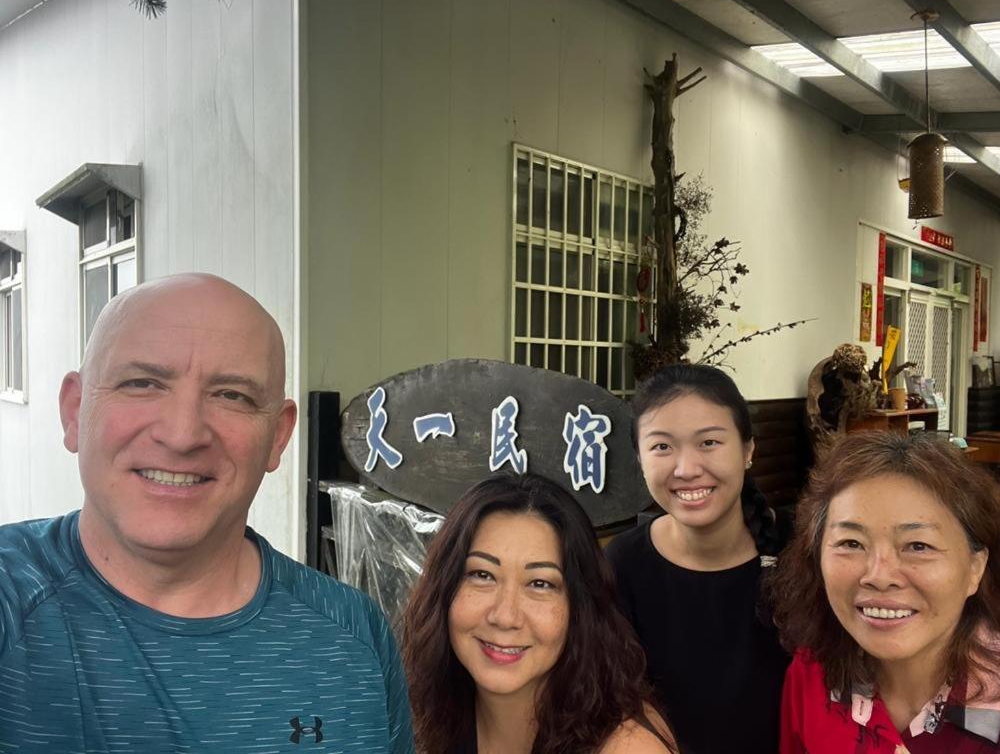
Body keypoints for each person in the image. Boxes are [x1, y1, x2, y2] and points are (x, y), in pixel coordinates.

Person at [0, 273, 413, 752]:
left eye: (231, 395)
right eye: (143, 383)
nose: (182, 434)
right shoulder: (13, 602)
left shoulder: (355, 637)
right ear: (74, 412)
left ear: (278, 436)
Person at [774, 430, 1000, 753]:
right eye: (851, 543)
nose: (879, 576)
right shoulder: (812, 675)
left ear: (975, 568)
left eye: (918, 546)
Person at [401, 472, 676, 754]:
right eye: (482, 575)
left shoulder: (628, 747)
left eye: (540, 583)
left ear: (580, 608)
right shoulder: (419, 712)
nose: (506, 617)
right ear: (444, 589)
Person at [605, 363, 791, 754]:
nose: (686, 469)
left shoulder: (802, 551)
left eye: (709, 443)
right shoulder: (624, 563)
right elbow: (614, 696)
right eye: (662, 447)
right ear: (640, 460)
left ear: (748, 449)